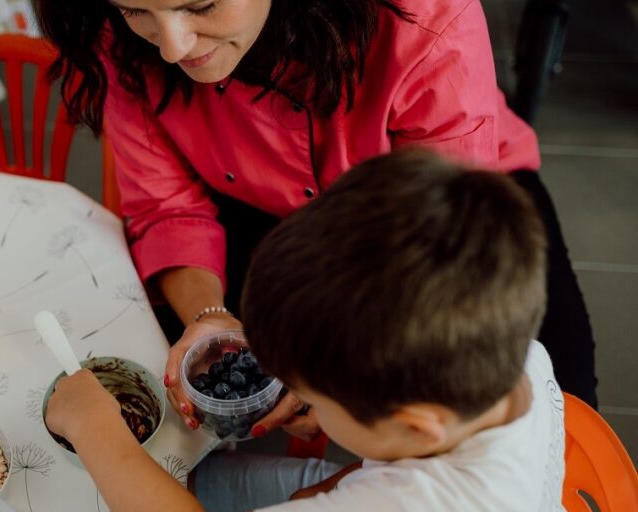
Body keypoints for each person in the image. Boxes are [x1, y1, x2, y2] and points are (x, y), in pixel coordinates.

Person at [44, 149, 571, 512]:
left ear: (412, 424)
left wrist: (93, 424)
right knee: (186, 483)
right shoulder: (519, 361)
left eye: (313, 396)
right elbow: (406, 489)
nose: (298, 402)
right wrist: (330, 489)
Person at [34, 0, 598, 434]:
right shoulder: (114, 33)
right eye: (137, 11)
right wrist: (209, 314)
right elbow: (167, 207)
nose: (172, 47)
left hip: (445, 209)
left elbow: (434, 243)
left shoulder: (424, 20)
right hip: (254, 204)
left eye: (201, 6)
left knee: (561, 404)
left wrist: (331, 366)